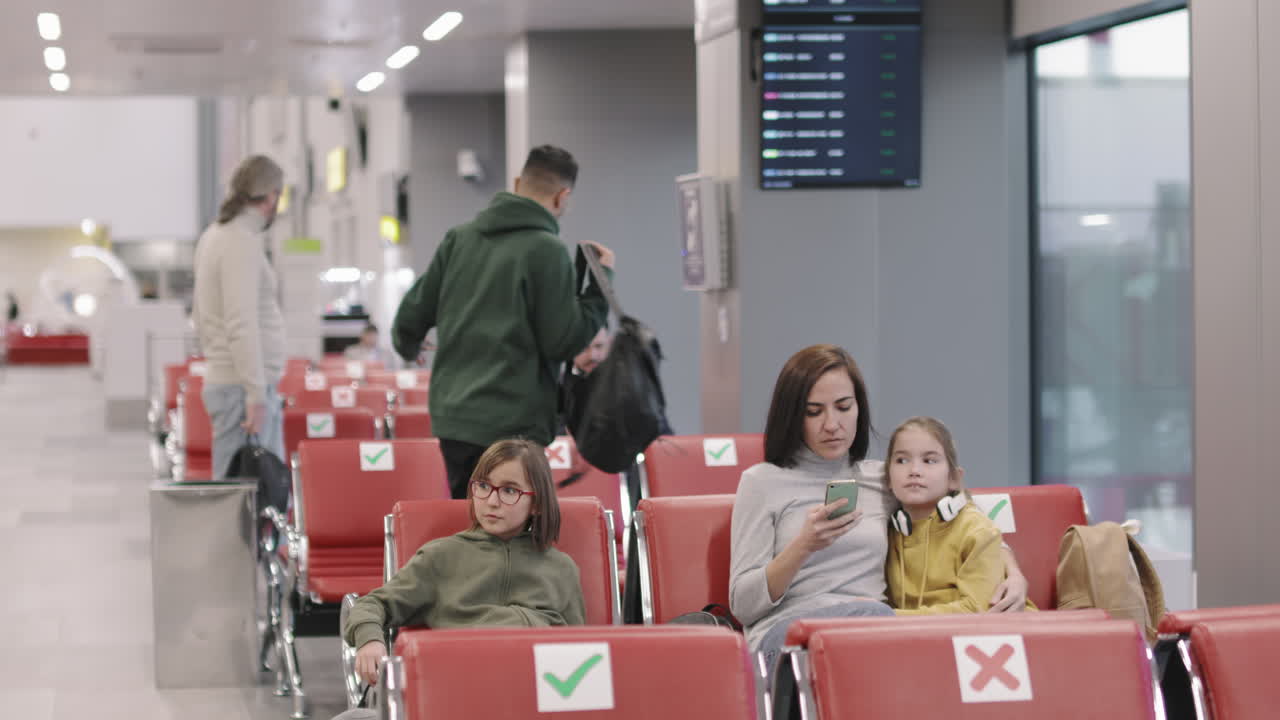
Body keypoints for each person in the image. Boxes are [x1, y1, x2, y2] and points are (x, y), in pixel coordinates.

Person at [729, 345, 1029, 668]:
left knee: (884, 629)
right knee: (876, 620)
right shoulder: (761, 483)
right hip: (790, 637)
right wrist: (803, 546)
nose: (832, 424)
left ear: (859, 408)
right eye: (814, 412)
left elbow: (961, 517)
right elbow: (743, 604)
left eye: (843, 407)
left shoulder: (882, 478)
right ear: (792, 416)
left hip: (870, 634)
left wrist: (1014, 573)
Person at [391, 145, 615, 498]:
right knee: (509, 536)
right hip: (515, 424)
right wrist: (599, 287)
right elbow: (564, 341)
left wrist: (409, 343)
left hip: (455, 420)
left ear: (516, 182)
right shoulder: (547, 250)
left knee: (469, 527)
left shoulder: (459, 239)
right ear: (562, 196)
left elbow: (411, 314)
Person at [342, 437, 586, 689]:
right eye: (483, 486)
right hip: (459, 686)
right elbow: (372, 604)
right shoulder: (441, 557)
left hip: (535, 689)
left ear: (536, 503)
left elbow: (580, 649)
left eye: (509, 490)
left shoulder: (562, 568)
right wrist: (370, 639)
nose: (492, 501)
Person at [192, 155, 287, 479]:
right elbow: (241, 322)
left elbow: (201, 314)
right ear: (271, 196)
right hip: (241, 389)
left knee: (237, 497)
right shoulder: (238, 242)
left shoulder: (216, 235)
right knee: (246, 503)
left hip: (233, 383)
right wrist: (257, 395)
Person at [886, 416, 1035, 613]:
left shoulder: (976, 530)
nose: (914, 470)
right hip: (922, 636)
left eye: (929, 460)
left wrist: (886, 618)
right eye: (902, 460)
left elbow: (979, 610)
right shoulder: (886, 533)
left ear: (954, 478)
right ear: (887, 477)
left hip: (992, 637)